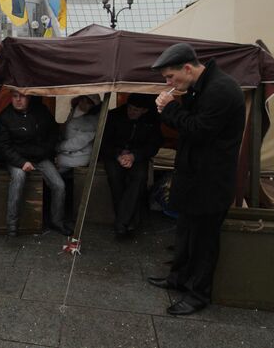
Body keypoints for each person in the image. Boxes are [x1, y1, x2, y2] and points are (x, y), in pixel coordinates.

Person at [149, 43, 245, 315]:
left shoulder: (221, 90)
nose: (168, 83)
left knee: (203, 242)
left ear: (188, 68)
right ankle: (177, 278)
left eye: (170, 77)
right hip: (193, 176)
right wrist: (174, 105)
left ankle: (197, 295)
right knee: (185, 232)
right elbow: (190, 122)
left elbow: (199, 129)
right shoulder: (197, 86)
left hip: (210, 182)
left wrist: (169, 108)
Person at [0, 91, 70, 237]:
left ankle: (57, 221)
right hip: (17, 158)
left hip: (40, 157)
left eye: (21, 96)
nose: (18, 100)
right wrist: (22, 162)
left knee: (59, 185)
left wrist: (46, 152)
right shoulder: (5, 117)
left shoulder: (41, 111)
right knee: (19, 178)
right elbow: (3, 146)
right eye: (15, 96)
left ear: (29, 97)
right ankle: (12, 226)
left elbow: (53, 132)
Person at [101, 94, 162, 237]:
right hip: (114, 155)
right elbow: (104, 142)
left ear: (144, 111)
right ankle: (126, 222)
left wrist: (134, 156)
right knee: (115, 178)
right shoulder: (114, 115)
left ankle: (121, 223)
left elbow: (153, 145)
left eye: (136, 110)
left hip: (138, 155)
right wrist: (118, 154)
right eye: (129, 108)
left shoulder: (152, 120)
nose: (131, 112)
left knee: (140, 178)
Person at [57, 94, 101, 170]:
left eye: (89, 103)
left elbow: (77, 143)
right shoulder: (75, 110)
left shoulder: (92, 121)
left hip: (79, 156)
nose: (83, 102)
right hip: (68, 152)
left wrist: (58, 146)